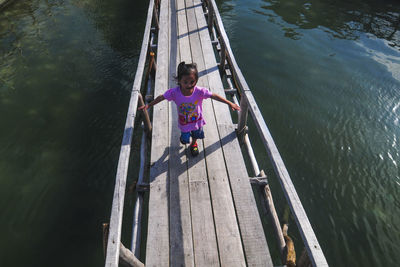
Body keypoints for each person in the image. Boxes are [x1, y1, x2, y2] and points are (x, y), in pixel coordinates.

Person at [139, 61, 240, 156]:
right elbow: (161, 97)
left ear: (196, 80)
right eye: (185, 82)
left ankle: (194, 144)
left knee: (196, 135)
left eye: (192, 82)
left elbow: (214, 95)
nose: (189, 85)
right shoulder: (174, 93)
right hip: (184, 122)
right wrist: (149, 105)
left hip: (197, 121)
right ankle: (185, 138)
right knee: (184, 138)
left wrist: (229, 102)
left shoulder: (200, 91)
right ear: (179, 81)